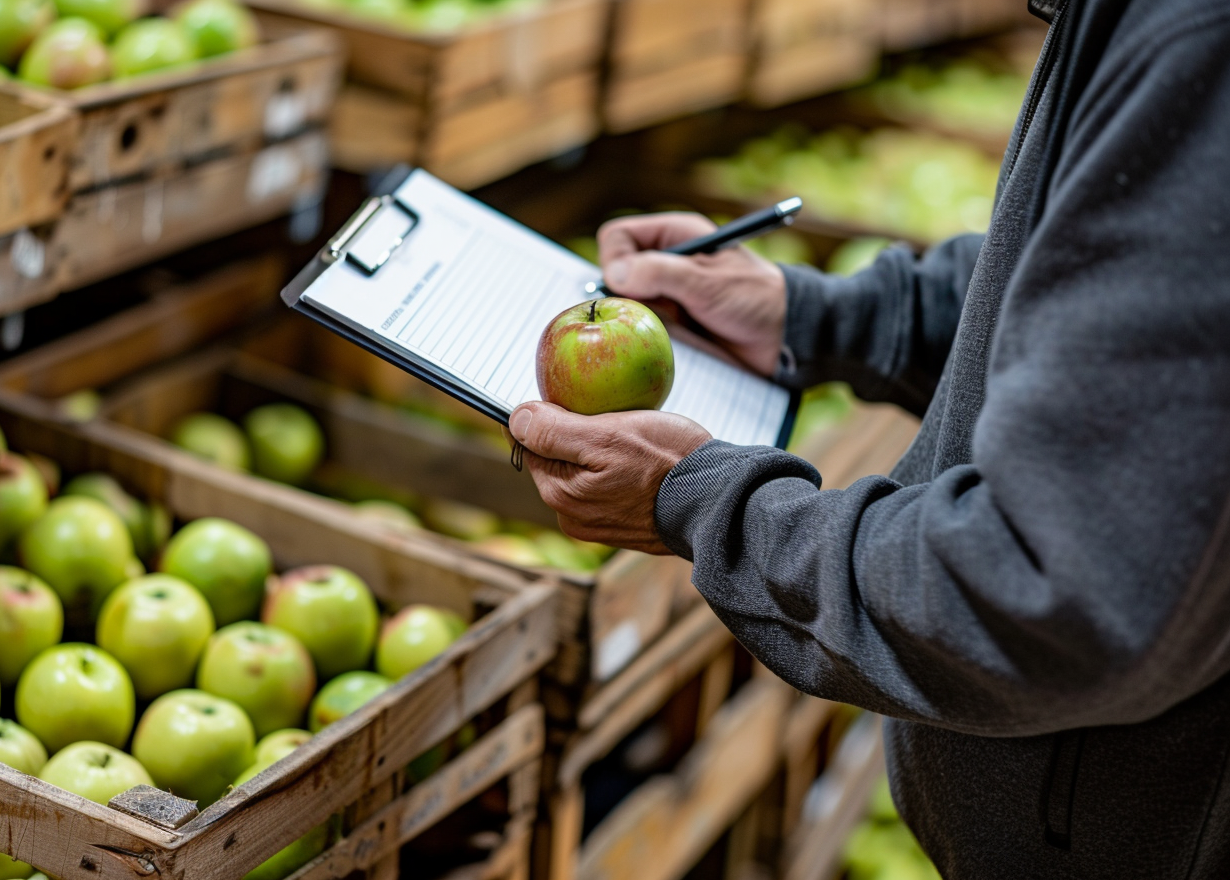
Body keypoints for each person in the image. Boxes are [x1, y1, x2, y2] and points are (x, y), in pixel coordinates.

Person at [507, 0, 1230, 876]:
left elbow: (1053, 588)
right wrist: (820, 314)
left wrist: (705, 504)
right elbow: (1095, 292)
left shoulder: (1198, 41)